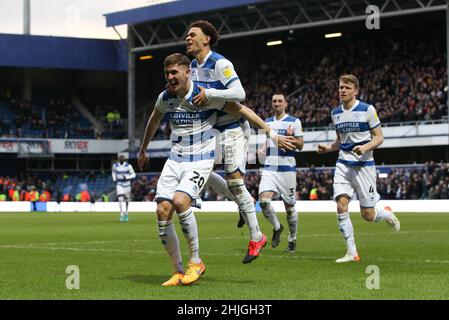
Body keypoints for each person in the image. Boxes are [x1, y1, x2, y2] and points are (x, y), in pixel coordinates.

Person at [137, 53, 294, 287]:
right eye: (167, 73)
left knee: (181, 202)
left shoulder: (204, 96)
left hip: (200, 159)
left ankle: (196, 261)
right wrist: (143, 149)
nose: (170, 77)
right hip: (174, 160)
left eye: (174, 73)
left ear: (187, 72)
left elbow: (242, 109)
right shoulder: (165, 98)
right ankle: (178, 270)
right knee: (162, 211)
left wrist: (271, 133)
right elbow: (154, 119)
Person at [185, 20, 295, 262]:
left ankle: (256, 236)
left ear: (207, 39)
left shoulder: (221, 64)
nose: (188, 39)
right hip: (211, 129)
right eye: (187, 36)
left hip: (234, 127)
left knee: (235, 181)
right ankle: (238, 203)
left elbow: (240, 95)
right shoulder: (192, 66)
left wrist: (211, 93)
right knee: (197, 168)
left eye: (192, 35)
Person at [317, 74, 400, 263]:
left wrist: (365, 147)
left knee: (368, 215)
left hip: (364, 166)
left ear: (356, 90)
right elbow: (340, 141)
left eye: (347, 87)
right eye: (340, 87)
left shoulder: (367, 110)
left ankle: (386, 213)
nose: (342, 90)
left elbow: (379, 137)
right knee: (341, 205)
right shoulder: (335, 113)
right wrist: (328, 148)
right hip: (343, 164)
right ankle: (351, 252)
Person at [258, 93, 304, 253]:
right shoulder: (267, 123)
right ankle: (277, 227)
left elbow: (301, 145)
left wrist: (290, 138)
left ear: (285, 104)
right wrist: (263, 148)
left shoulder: (294, 122)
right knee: (263, 201)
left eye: (279, 101)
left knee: (289, 207)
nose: (276, 103)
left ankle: (292, 239)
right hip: (270, 167)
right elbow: (266, 142)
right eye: (274, 101)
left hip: (287, 169)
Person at [112, 154, 136, 222]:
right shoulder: (115, 166)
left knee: (127, 200)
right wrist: (114, 178)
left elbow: (134, 174)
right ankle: (121, 214)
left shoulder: (128, 166)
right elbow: (113, 172)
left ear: (124, 160)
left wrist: (127, 177)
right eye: (120, 159)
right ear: (118, 160)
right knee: (120, 198)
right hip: (119, 184)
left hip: (127, 184)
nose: (121, 160)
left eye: (122, 159)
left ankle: (126, 212)